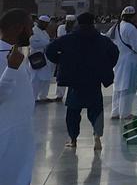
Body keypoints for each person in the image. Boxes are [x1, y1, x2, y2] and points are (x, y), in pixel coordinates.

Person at [0, 9, 50, 185]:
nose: (32, 32)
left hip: (15, 136)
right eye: (29, 27)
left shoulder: (13, 54)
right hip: (7, 140)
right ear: (19, 27)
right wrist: (11, 69)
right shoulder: (7, 58)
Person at [45, 13, 119, 151]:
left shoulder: (68, 39)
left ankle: (73, 139)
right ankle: (97, 136)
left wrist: (61, 61)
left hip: (75, 80)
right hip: (94, 80)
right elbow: (114, 53)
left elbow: (49, 50)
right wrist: (106, 65)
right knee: (96, 110)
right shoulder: (101, 40)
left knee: (73, 111)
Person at [107, 6, 137, 121]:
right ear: (133, 16)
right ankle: (125, 113)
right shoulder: (130, 28)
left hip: (119, 59)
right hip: (129, 61)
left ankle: (115, 112)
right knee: (128, 88)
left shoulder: (117, 26)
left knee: (118, 87)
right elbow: (136, 47)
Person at [28, 16, 55, 103]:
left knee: (46, 79)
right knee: (36, 79)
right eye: (45, 24)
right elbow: (33, 43)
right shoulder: (33, 31)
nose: (46, 26)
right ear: (41, 22)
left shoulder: (44, 32)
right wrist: (48, 43)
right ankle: (33, 98)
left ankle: (43, 96)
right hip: (36, 57)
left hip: (45, 58)